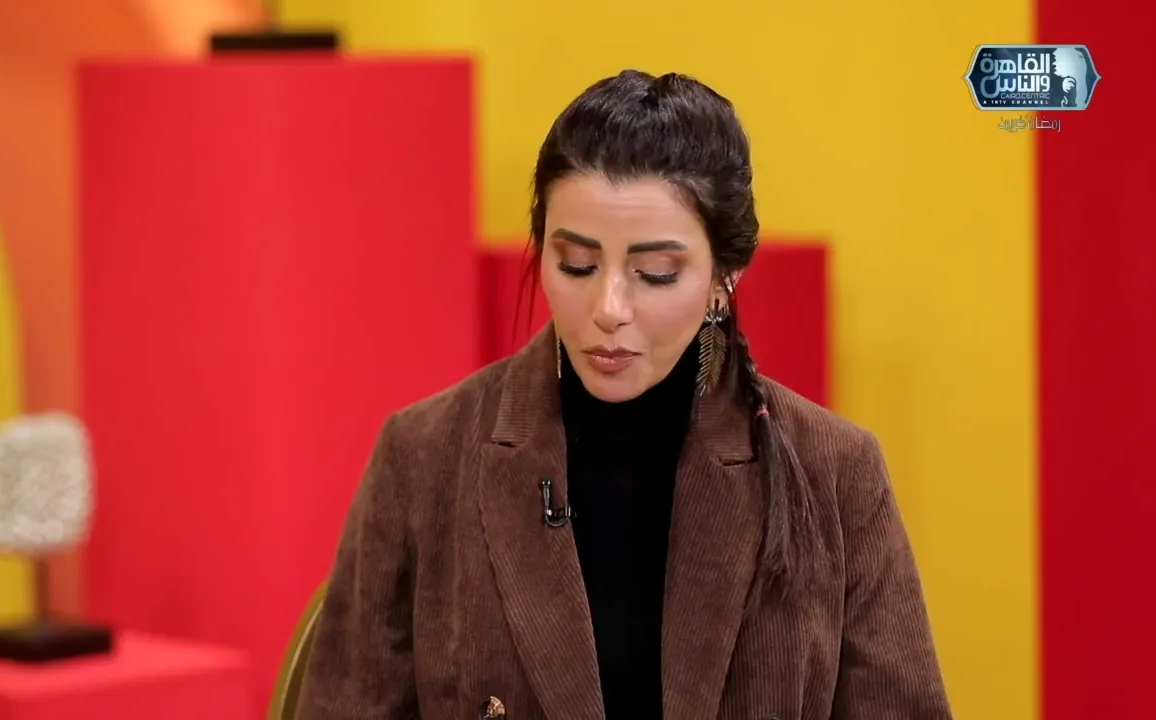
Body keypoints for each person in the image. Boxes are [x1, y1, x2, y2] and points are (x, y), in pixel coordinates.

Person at [296, 70, 952, 719]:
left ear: (724, 276)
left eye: (655, 273)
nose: (608, 308)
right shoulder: (423, 457)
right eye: (576, 265)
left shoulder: (836, 473)